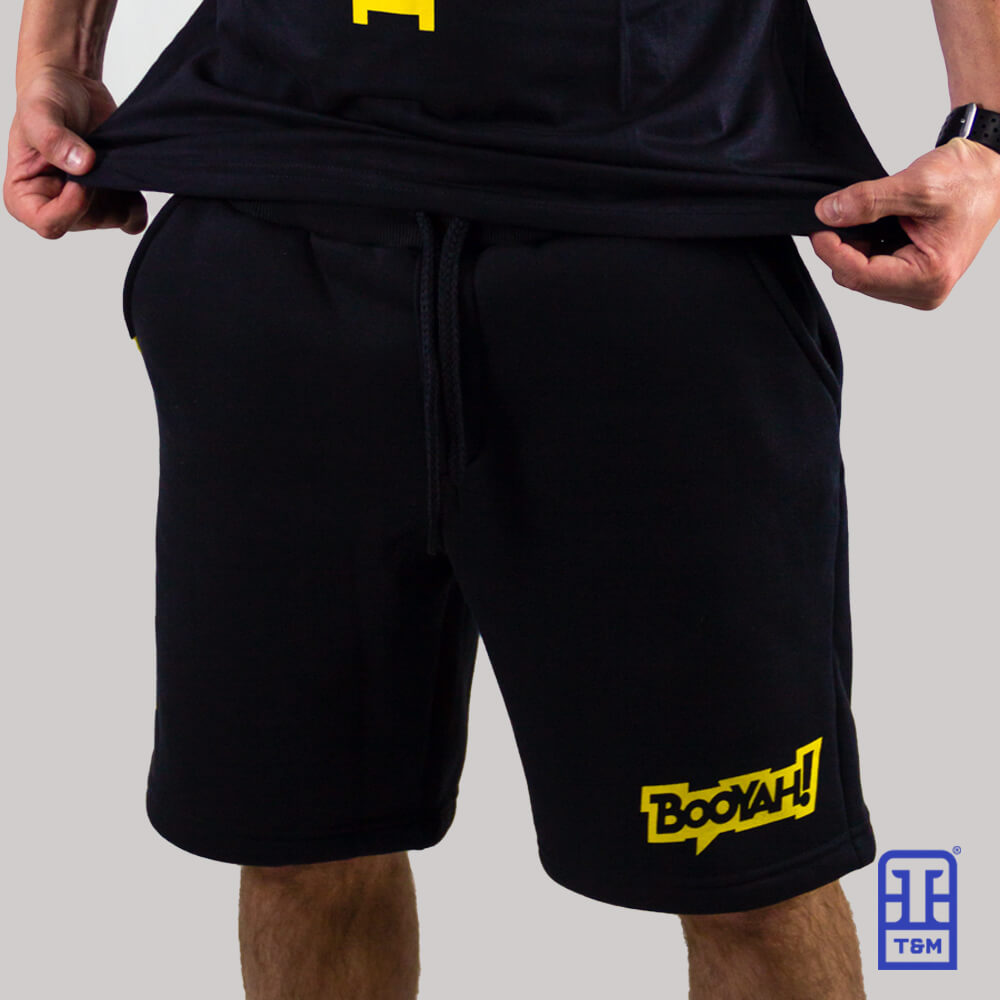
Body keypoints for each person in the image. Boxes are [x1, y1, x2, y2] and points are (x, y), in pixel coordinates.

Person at [5, 2, 999, 998]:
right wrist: (58, 54)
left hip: (657, 232)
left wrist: (984, 127)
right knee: (301, 853)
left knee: (752, 878)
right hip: (274, 214)